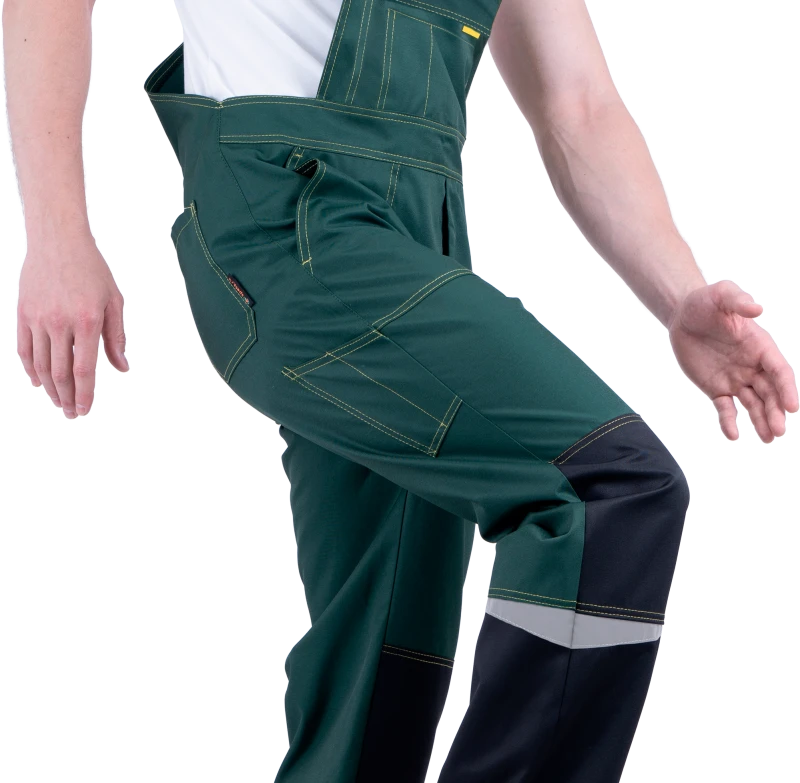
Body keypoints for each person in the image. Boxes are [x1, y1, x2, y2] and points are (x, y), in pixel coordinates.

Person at [6, 1, 797, 781]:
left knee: (381, 667)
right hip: (289, 215)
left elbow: (576, 101)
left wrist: (679, 297)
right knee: (605, 487)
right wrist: (57, 236)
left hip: (416, 233)